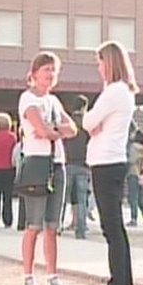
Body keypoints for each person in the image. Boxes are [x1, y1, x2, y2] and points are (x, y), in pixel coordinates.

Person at [18, 51, 77, 285]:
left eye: (53, 70)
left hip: (57, 163)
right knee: (34, 224)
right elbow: (40, 130)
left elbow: (72, 128)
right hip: (37, 163)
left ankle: (53, 276)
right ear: (34, 74)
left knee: (52, 224)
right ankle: (28, 276)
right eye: (46, 70)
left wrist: (52, 130)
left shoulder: (54, 102)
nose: (50, 75)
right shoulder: (28, 99)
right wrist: (53, 130)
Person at [82, 40, 137, 285]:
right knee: (115, 224)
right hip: (114, 159)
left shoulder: (113, 92)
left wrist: (93, 123)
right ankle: (124, 280)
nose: (99, 68)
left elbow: (89, 120)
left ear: (110, 63)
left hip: (105, 161)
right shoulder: (123, 92)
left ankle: (117, 283)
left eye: (100, 63)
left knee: (110, 225)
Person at [62, 95, 91, 239]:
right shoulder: (87, 123)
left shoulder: (67, 121)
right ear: (84, 106)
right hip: (83, 164)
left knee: (63, 198)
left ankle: (57, 227)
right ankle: (81, 229)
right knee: (81, 199)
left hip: (67, 163)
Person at [0, 112, 17, 227]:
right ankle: (8, 220)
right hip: (9, 168)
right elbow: (14, 154)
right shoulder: (13, 137)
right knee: (8, 195)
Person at [126, 125, 143, 226]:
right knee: (141, 198)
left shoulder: (133, 147)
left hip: (133, 173)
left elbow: (130, 160)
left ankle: (134, 218)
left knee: (133, 197)